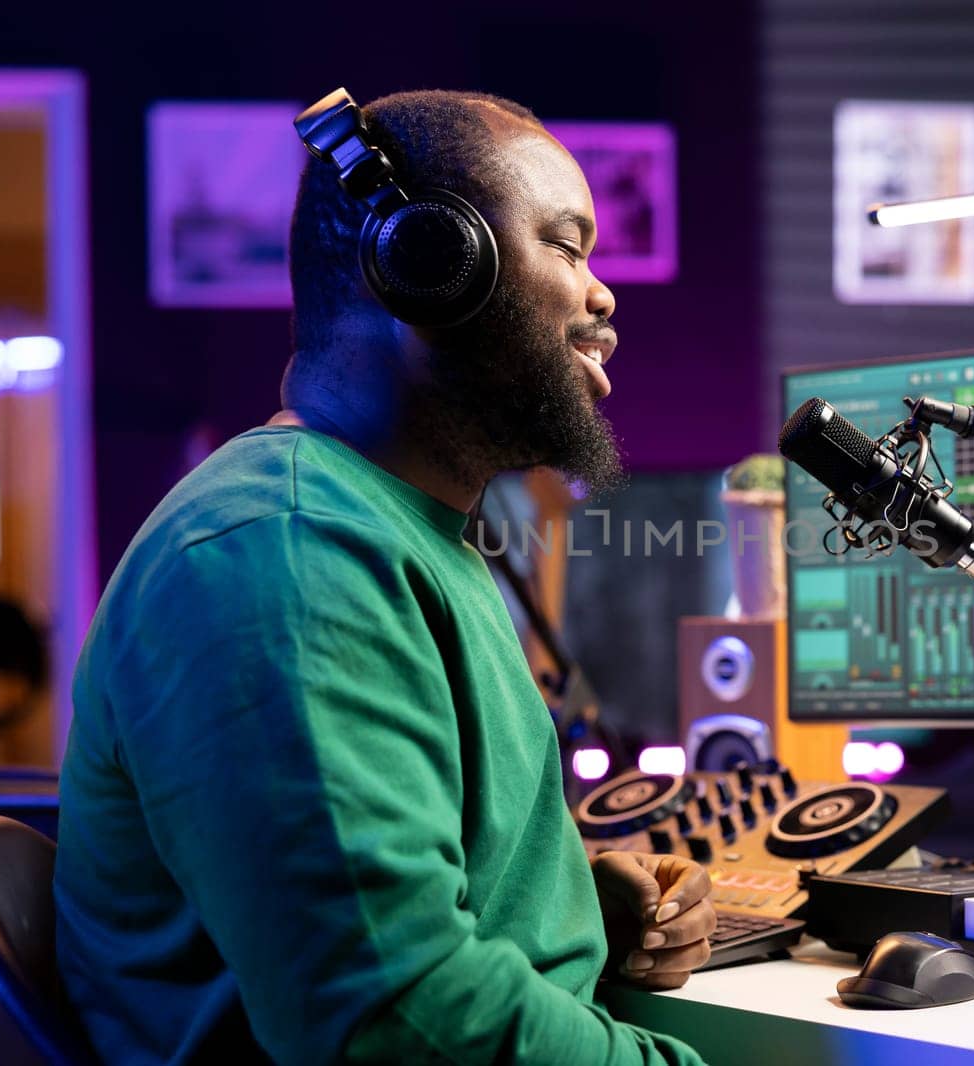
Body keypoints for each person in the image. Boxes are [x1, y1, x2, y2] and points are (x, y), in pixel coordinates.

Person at [54, 88, 714, 1065]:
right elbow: (395, 1020)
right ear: (428, 268)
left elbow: (376, 915)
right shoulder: (286, 554)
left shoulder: (397, 530)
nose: (602, 293)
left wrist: (573, 900)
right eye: (565, 245)